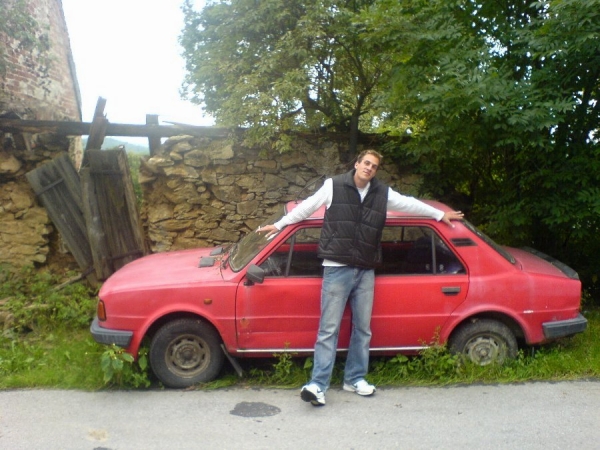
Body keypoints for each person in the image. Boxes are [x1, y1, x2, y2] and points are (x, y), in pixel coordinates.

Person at [257, 149, 463, 406]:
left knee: (363, 329)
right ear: (357, 164)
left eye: (374, 166)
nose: (369, 168)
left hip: (365, 269)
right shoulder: (333, 186)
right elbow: (307, 207)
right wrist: (279, 225)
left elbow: (410, 203)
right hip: (336, 267)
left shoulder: (382, 193)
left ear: (376, 171)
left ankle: (354, 379)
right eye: (366, 163)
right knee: (328, 329)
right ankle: (317, 385)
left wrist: (439, 214)